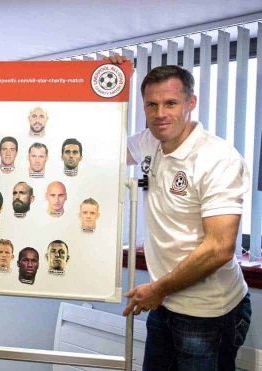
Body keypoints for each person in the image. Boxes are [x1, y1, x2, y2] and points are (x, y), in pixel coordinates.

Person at [122, 63, 251, 370]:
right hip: (164, 303)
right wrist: (112, 86)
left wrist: (159, 289)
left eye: (170, 103)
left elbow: (220, 247)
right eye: (151, 105)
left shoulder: (217, 158)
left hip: (207, 313)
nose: (160, 114)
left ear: (191, 103)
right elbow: (99, 150)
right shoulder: (147, 142)